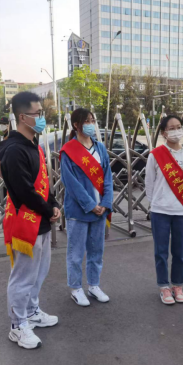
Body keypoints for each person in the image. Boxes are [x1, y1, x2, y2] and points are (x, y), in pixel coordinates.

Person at [0, 92, 61, 350]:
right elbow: (24, 191)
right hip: (25, 222)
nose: (41, 118)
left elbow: (43, 182)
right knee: (23, 276)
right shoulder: (14, 150)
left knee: (39, 272)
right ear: (23, 117)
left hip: (41, 219)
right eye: (38, 114)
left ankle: (32, 312)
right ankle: (17, 325)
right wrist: (47, 209)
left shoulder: (34, 145)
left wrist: (53, 204)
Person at [145, 115, 183, 305]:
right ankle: (164, 286)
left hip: (182, 212)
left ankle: (177, 285)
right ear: (164, 133)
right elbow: (149, 185)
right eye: (172, 128)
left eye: (179, 127)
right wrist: (156, 204)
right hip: (160, 212)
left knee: (180, 252)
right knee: (160, 252)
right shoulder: (155, 155)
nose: (176, 131)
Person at [60, 109, 114, 307]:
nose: (91, 124)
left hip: (100, 209)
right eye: (87, 121)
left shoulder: (100, 148)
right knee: (75, 253)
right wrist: (91, 205)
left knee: (96, 251)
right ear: (76, 125)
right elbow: (70, 183)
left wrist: (105, 203)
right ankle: (76, 288)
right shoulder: (68, 150)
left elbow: (108, 178)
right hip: (79, 210)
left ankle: (93, 285)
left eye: (92, 120)